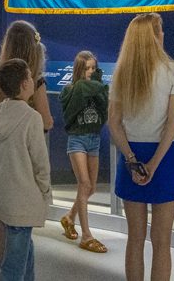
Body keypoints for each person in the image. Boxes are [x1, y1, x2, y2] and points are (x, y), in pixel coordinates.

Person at [107, 14, 174, 281]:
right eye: (161, 31)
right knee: (162, 241)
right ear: (157, 36)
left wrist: (131, 159)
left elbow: (114, 124)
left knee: (135, 238)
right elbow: (172, 125)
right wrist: (154, 164)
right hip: (164, 158)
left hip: (131, 156)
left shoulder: (121, 75)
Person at [0, 21, 53, 263]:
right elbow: (46, 121)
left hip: (4, 171)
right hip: (25, 171)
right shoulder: (34, 82)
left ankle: (5, 268)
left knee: (4, 222)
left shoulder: (1, 83)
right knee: (21, 229)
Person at [57, 50, 108, 254]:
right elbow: (74, 99)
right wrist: (97, 85)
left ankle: (69, 217)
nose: (91, 72)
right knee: (84, 184)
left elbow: (105, 106)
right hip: (77, 139)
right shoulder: (71, 89)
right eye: (87, 68)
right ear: (79, 69)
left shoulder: (98, 90)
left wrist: (98, 87)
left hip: (94, 138)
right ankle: (87, 235)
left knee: (91, 188)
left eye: (94, 68)